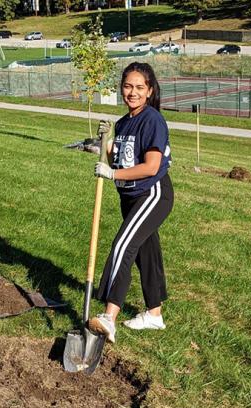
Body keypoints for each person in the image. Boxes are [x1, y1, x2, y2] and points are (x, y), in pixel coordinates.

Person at [87, 62, 174, 343]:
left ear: (149, 91)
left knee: (123, 245)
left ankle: (108, 316)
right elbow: (122, 159)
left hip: (152, 193)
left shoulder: (152, 120)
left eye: (139, 87)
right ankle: (154, 314)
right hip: (130, 196)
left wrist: (111, 173)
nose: (132, 92)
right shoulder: (124, 122)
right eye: (127, 86)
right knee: (145, 252)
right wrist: (104, 149)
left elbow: (150, 166)